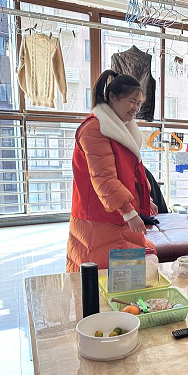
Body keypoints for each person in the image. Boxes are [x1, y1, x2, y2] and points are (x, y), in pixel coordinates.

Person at [66, 70, 158, 272]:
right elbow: (104, 178)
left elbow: (131, 171)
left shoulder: (122, 127)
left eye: (139, 103)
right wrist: (129, 212)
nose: (136, 108)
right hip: (98, 218)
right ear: (112, 97)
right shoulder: (94, 129)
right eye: (132, 101)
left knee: (125, 276)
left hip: (118, 212)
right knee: (100, 275)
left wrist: (145, 199)